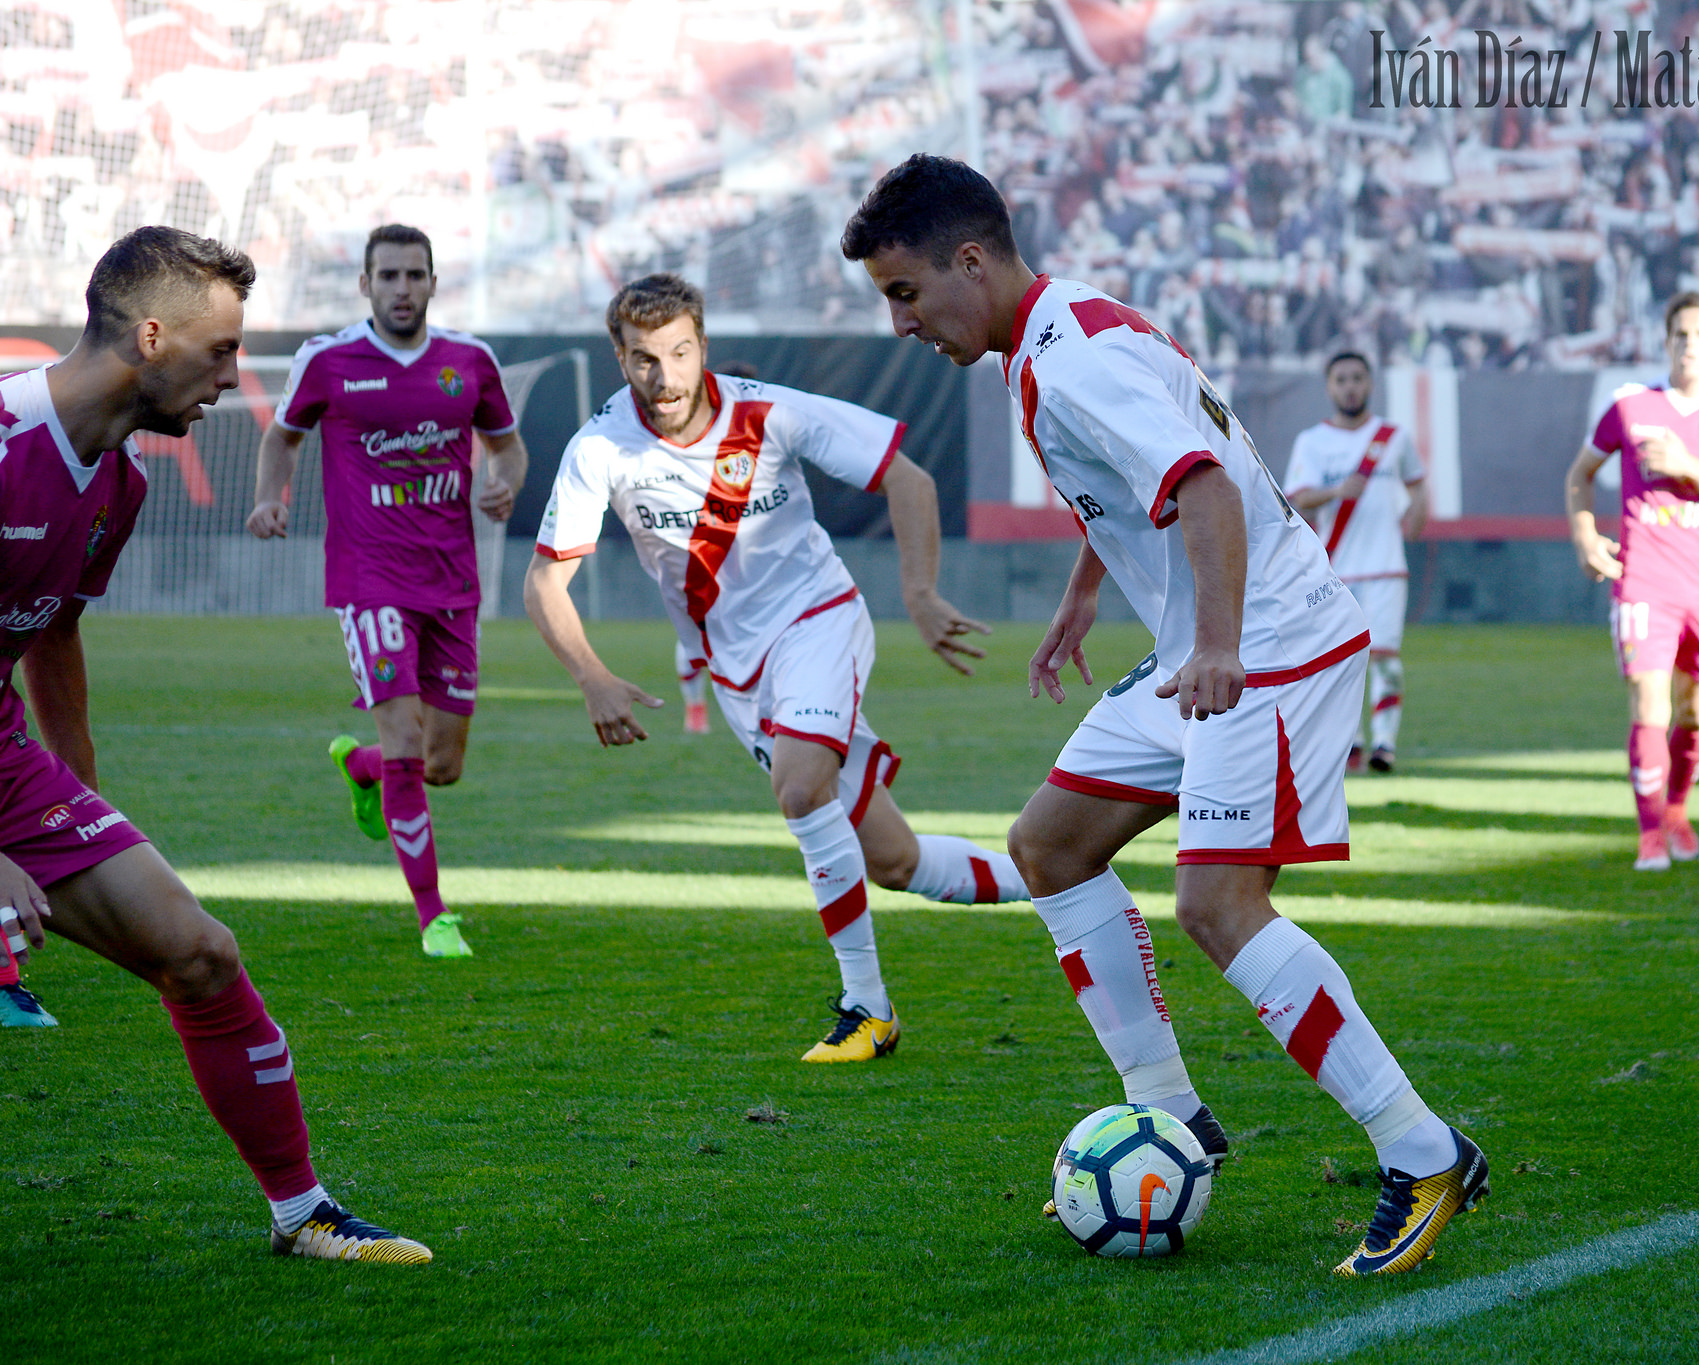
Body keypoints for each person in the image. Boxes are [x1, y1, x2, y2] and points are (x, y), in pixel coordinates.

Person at [844, 155, 1489, 1277]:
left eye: (903, 293)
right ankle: (1171, 1115)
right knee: (1049, 846)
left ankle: (1422, 1152)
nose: (901, 324)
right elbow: (1140, 488)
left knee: (1218, 907)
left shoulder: (1073, 358)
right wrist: (1084, 597)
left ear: (969, 260)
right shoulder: (1059, 335)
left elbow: (1204, 487)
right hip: (1196, 647)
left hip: (1268, 649)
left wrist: (1221, 647)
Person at [0, 225, 429, 1261]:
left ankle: (302, 1214)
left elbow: (51, 632)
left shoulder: (118, 484)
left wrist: (77, 812)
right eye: (222, 352)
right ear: (151, 336)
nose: (238, 379)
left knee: (199, 955)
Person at [524, 273, 1031, 1062]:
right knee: (893, 861)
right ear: (619, 359)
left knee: (798, 786)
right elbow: (545, 579)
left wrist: (921, 592)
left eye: (678, 353)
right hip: (736, 673)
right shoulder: (600, 446)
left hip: (817, 622)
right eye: (643, 359)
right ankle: (1059, 873)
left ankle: (867, 1008)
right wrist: (591, 673)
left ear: (703, 347)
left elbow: (908, 476)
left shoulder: (770, 411)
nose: (663, 377)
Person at [247, 225, 529, 958]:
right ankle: (434, 915)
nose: (402, 288)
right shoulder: (329, 359)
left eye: (415, 275)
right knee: (405, 740)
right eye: (389, 276)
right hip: (369, 581)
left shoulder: (471, 360)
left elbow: (508, 445)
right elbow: (282, 436)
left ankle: (359, 765)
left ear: (434, 283)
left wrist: (504, 485)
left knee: (442, 764)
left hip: (453, 584)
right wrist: (270, 497)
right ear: (365, 285)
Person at [1565, 291, 1699, 871]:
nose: (1688, 344)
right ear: (1665, 342)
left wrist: (1689, 467)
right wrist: (1584, 534)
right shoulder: (1631, 405)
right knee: (1649, 700)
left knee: (1695, 715)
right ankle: (1650, 833)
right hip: (1644, 581)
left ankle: (1677, 809)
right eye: (1679, 334)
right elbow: (1580, 474)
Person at [1282, 352, 1427, 774]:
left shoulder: (1394, 437)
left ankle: (1384, 745)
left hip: (1385, 567)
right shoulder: (1312, 441)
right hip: (1334, 569)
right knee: (1342, 660)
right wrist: (1337, 491)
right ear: (1329, 387)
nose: (1350, 387)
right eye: (1342, 379)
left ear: (1370, 384)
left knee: (1386, 656)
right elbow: (1298, 497)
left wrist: (1416, 514)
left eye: (1358, 378)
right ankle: (1353, 744)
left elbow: (1418, 485)